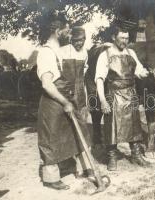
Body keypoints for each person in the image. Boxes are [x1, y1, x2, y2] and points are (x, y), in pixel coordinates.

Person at [37, 13, 92, 190]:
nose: (69, 33)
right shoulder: (45, 52)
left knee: (75, 132)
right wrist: (65, 102)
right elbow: (47, 84)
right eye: (67, 30)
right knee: (51, 138)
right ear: (57, 30)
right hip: (52, 102)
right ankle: (51, 179)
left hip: (64, 98)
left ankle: (80, 167)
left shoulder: (57, 51)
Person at [95, 25, 150, 171]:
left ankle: (136, 154)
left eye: (127, 38)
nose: (124, 41)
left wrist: (147, 72)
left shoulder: (131, 52)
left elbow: (139, 71)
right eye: (122, 38)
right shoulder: (105, 55)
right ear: (114, 37)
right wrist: (102, 100)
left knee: (134, 125)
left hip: (131, 94)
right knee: (112, 126)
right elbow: (99, 79)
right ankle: (112, 157)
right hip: (113, 94)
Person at [59, 26, 94, 179]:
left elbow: (84, 73)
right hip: (65, 93)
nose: (80, 43)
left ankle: (84, 166)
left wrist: (83, 95)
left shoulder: (85, 53)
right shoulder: (62, 51)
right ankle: (69, 164)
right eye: (77, 40)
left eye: (82, 40)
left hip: (80, 94)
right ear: (71, 39)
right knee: (66, 130)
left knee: (83, 128)